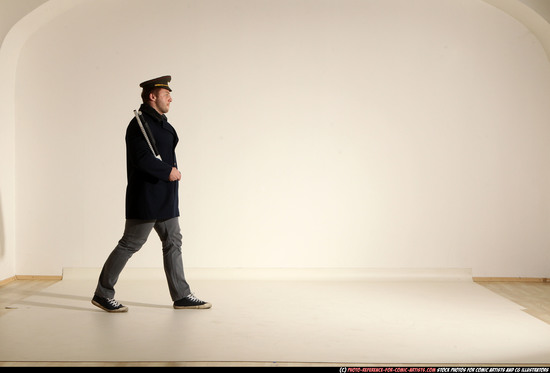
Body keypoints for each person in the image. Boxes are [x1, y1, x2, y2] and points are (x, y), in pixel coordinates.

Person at [91, 75, 211, 312]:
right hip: (147, 197)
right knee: (130, 244)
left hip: (165, 197)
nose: (170, 99)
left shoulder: (161, 123)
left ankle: (182, 295)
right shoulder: (139, 124)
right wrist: (168, 171)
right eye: (166, 95)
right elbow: (142, 159)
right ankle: (102, 294)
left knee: (173, 241)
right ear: (152, 96)